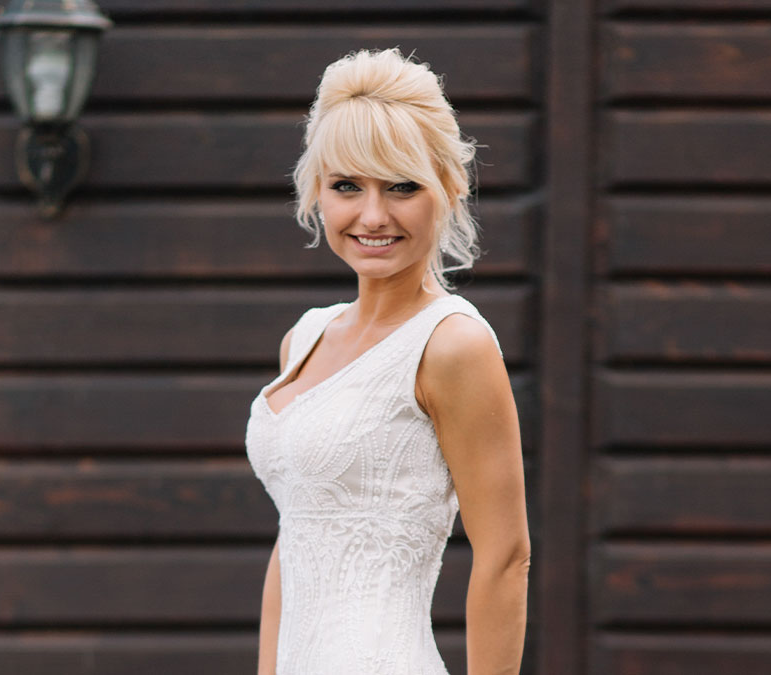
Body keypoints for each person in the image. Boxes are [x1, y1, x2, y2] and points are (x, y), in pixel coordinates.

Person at [245, 48, 530, 675]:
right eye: (348, 186)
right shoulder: (306, 337)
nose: (373, 216)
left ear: (448, 192)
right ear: (318, 192)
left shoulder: (452, 344)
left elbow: (506, 556)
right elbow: (297, 535)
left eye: (401, 187)